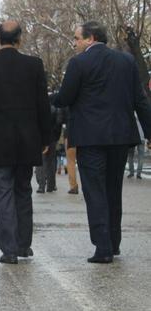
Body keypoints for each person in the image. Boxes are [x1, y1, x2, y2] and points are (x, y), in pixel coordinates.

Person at [52, 21, 151, 263]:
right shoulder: (126, 61)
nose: (74, 43)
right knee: (112, 190)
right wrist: (149, 133)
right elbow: (141, 100)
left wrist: (48, 97)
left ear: (91, 38)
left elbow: (65, 97)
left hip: (90, 138)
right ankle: (114, 243)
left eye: (76, 38)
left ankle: (103, 247)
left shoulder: (78, 63)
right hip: (119, 137)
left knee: (95, 192)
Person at [0, 20, 50, 264]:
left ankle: (9, 249)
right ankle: (24, 245)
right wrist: (46, 137)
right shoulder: (34, 65)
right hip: (27, 141)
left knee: (3, 193)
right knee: (23, 191)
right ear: (19, 39)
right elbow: (42, 105)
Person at [35, 100, 63, 193]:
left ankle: (41, 185)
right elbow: (59, 123)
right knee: (51, 162)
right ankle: (51, 185)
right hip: (52, 139)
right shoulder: (56, 109)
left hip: (40, 138)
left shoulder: (38, 109)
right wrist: (55, 136)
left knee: (41, 162)